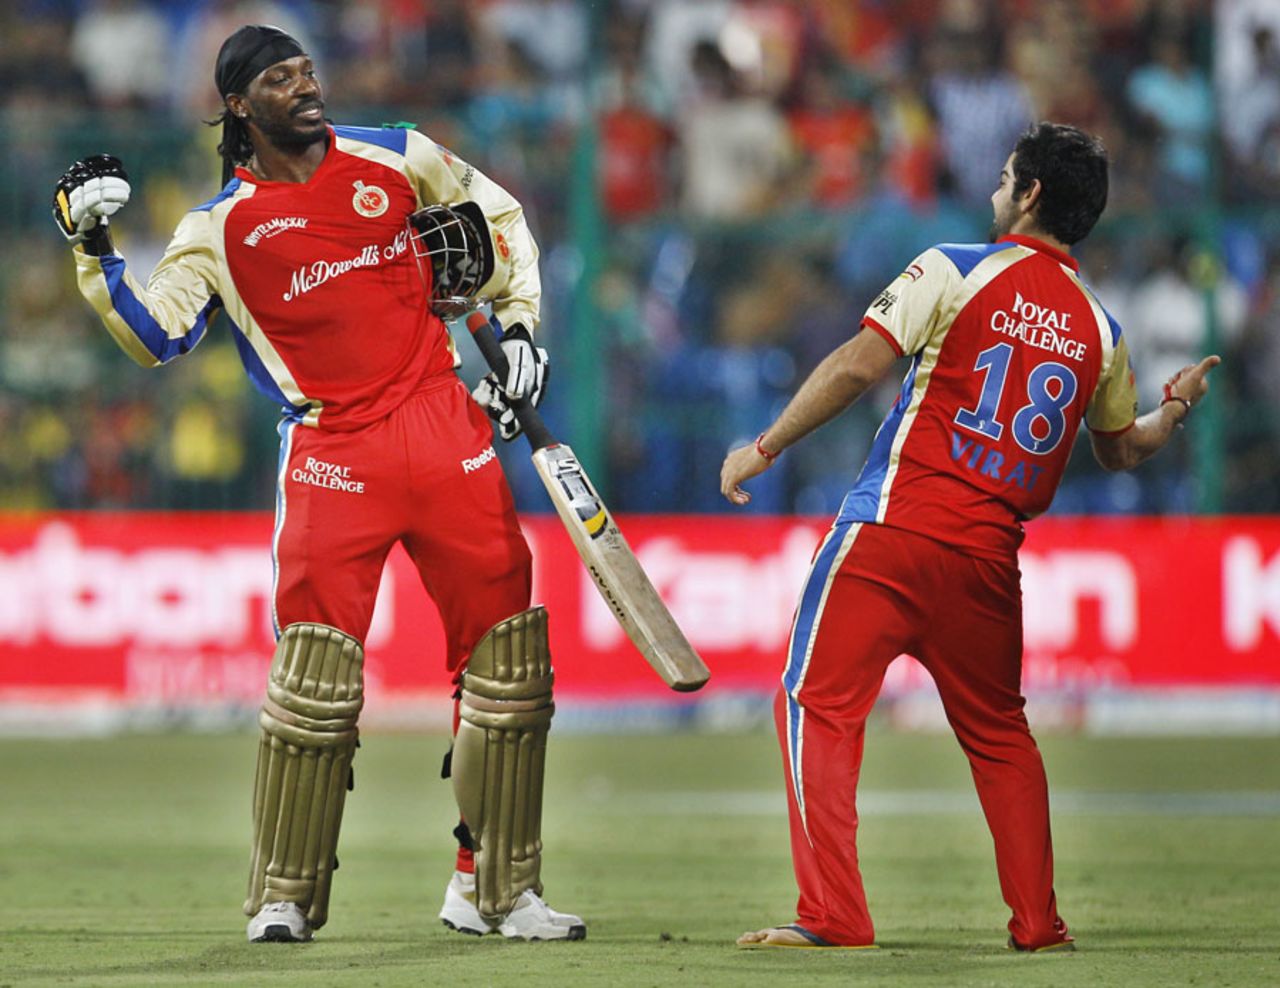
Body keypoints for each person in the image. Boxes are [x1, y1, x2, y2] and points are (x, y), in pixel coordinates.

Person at [52, 24, 585, 945]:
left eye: (306, 70)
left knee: (507, 669)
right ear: (237, 104)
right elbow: (155, 335)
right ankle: (285, 898)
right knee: (313, 686)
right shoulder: (216, 229)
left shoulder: (398, 155)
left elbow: (499, 224)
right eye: (279, 78)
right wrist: (92, 245)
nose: (305, 85)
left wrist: (523, 327)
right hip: (333, 454)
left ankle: (493, 889)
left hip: (445, 426)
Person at [720, 122, 1220, 951]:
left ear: (1028, 195)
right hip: (988, 564)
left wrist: (766, 445)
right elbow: (1125, 448)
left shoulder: (954, 265)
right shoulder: (1100, 331)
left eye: (1003, 176)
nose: (993, 188)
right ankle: (1038, 924)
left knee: (815, 705)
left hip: (888, 533)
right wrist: (1178, 407)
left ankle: (835, 916)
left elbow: (856, 365)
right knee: (1000, 737)